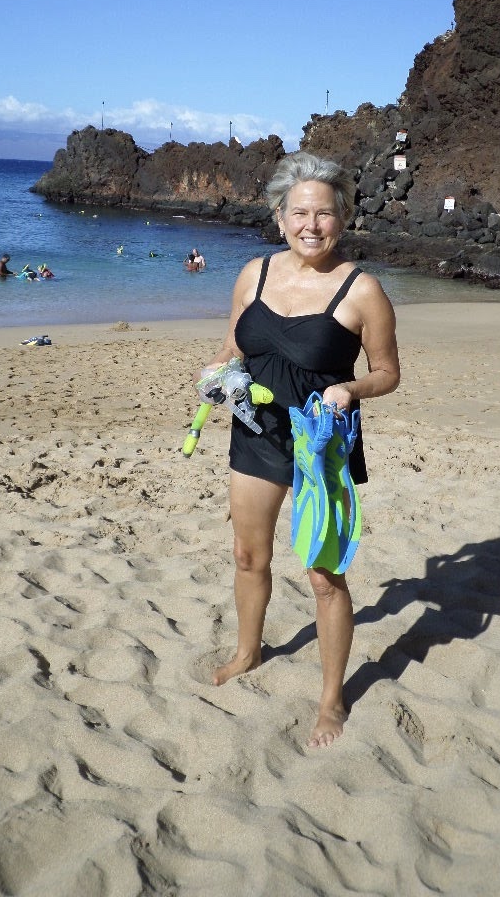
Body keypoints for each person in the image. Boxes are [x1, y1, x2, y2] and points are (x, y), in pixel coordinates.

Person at [196, 152, 400, 747]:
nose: (311, 225)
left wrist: (350, 388)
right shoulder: (253, 274)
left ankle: (332, 698)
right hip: (255, 426)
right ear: (280, 215)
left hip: (321, 442)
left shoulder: (362, 289)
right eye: (299, 212)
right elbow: (235, 341)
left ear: (343, 219)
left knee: (322, 576)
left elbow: (387, 372)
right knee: (245, 554)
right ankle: (247, 652)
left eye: (325, 214)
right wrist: (219, 371)